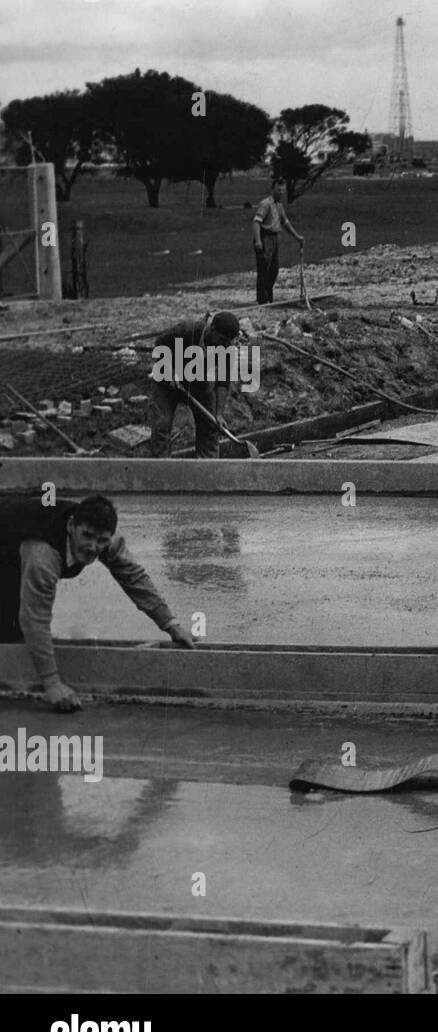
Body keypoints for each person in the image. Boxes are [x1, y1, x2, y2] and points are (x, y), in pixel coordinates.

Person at [0, 494, 195, 712]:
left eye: (101, 540)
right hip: (9, 540)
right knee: (11, 629)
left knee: (12, 631)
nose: (93, 547)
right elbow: (35, 617)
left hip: (12, 547)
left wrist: (170, 624)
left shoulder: (106, 539)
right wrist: (52, 684)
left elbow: (133, 577)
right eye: (87, 536)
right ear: (71, 526)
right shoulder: (42, 556)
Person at [147, 311, 242, 459]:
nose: (224, 345)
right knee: (161, 425)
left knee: (210, 428)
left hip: (199, 383)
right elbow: (159, 345)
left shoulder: (226, 349)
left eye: (228, 342)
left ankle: (207, 471)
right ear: (212, 329)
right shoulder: (186, 331)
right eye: (222, 339)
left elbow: (223, 383)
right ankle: (162, 468)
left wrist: (219, 414)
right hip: (167, 383)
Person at [252, 179, 304, 304]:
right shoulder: (266, 204)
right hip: (265, 238)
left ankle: (268, 297)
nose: (281, 193)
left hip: (275, 238)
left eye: (283, 190)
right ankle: (262, 300)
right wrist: (258, 241)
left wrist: (297, 236)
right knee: (264, 270)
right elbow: (256, 222)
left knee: (274, 270)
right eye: (278, 190)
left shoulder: (279, 205)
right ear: (273, 189)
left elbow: (285, 222)